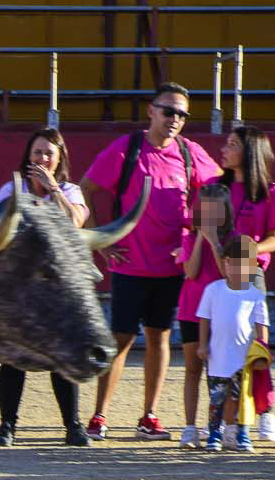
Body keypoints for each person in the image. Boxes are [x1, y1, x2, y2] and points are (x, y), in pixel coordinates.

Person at [82, 81, 222, 439]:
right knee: (121, 339)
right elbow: (86, 189)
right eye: (168, 110)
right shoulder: (127, 149)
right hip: (129, 262)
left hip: (172, 266)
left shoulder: (190, 153)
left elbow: (221, 187)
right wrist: (102, 240)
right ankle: (99, 416)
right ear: (151, 110)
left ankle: (149, 415)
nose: (175, 118)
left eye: (182, 114)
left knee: (159, 337)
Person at [176, 125, 275, 446]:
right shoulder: (212, 186)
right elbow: (198, 227)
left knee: (252, 351)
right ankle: (218, 424)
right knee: (214, 354)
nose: (223, 150)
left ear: (249, 151)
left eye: (231, 145)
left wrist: (252, 250)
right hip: (211, 277)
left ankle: (264, 412)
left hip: (249, 276)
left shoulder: (269, 192)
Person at [0, 129, 91, 446]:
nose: (43, 159)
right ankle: (7, 426)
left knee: (61, 355)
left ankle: (73, 426)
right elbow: (0, 228)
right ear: (27, 156)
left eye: (49, 153)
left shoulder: (70, 190)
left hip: (56, 285)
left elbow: (75, 222)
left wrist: (53, 191)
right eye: (37, 153)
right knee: (12, 356)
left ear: (59, 158)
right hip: (19, 283)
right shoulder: (11, 189)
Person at [194, 233, 270, 452]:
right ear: (225, 263)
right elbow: (204, 319)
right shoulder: (213, 290)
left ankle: (242, 433)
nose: (238, 269)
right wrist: (202, 344)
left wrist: (262, 352)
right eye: (233, 263)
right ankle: (214, 434)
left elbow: (261, 325)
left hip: (244, 359)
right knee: (216, 398)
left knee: (243, 398)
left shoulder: (255, 294)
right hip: (217, 356)